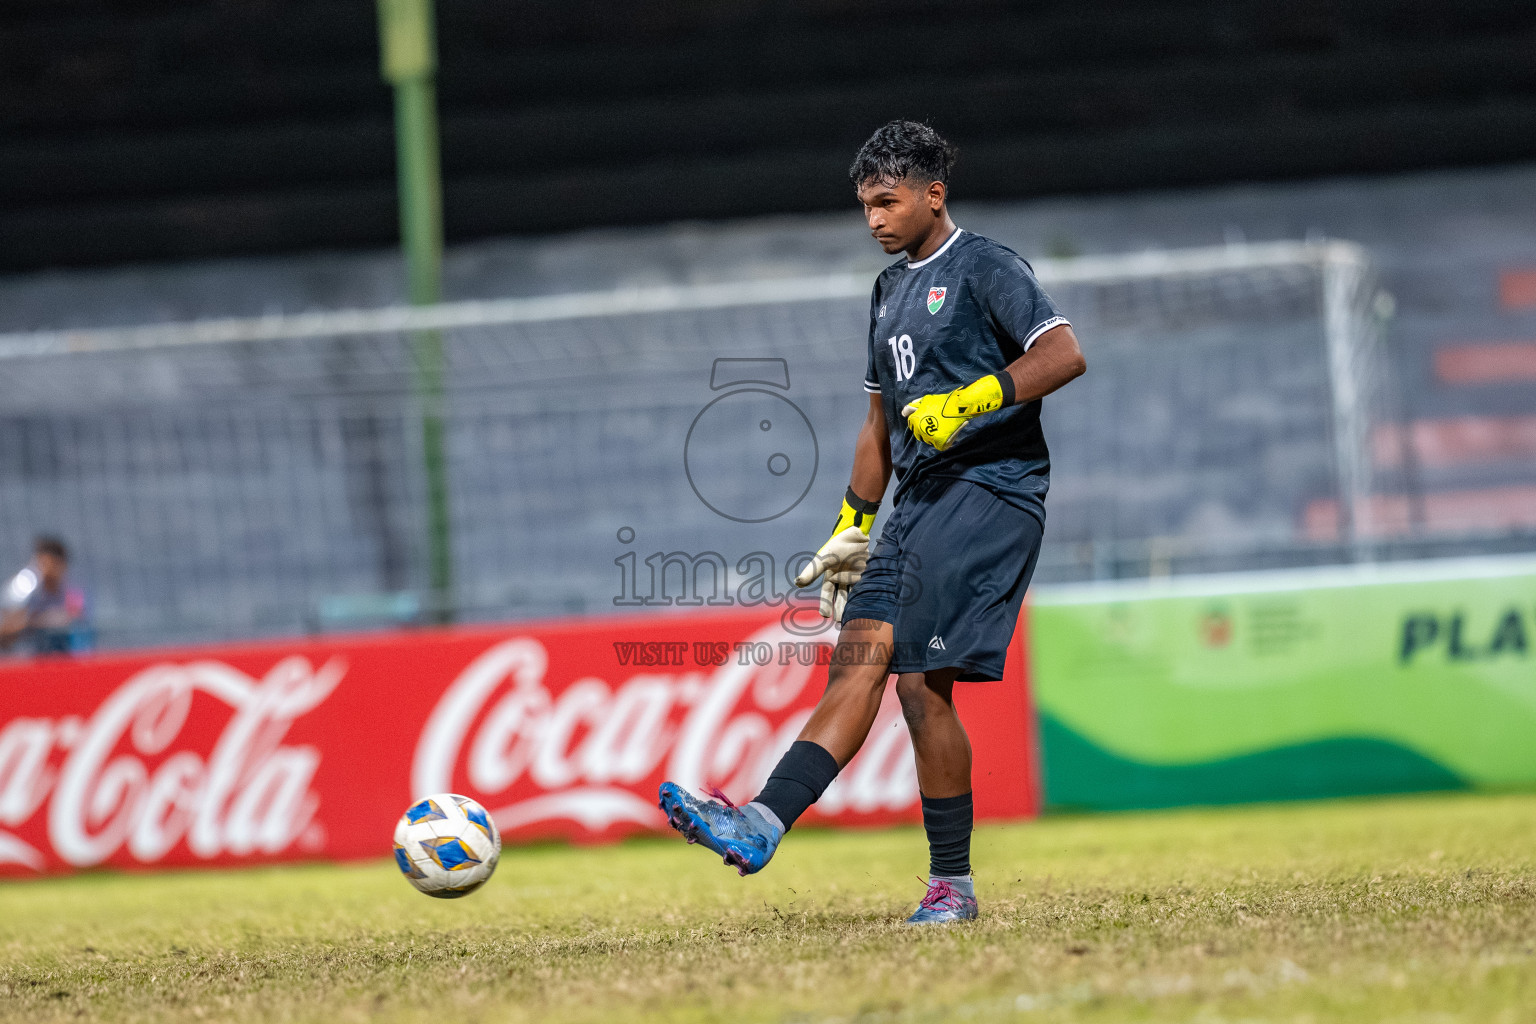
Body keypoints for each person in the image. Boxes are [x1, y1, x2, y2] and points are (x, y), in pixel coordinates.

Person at [658, 121, 1087, 924]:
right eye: (864, 206)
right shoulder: (888, 291)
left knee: (922, 684)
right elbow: (876, 425)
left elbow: (1063, 353)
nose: (875, 220)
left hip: (991, 490)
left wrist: (972, 399)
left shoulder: (986, 267)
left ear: (934, 193)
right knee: (857, 663)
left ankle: (951, 888)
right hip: (916, 505)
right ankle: (758, 824)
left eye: (888, 202)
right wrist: (851, 523)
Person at [1, 536, 90, 655]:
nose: (46, 570)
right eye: (42, 564)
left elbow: (76, 619)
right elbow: (7, 628)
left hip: (66, 658)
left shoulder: (73, 594)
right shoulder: (23, 591)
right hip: (28, 659)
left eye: (51, 564)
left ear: (62, 565)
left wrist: (38, 621)